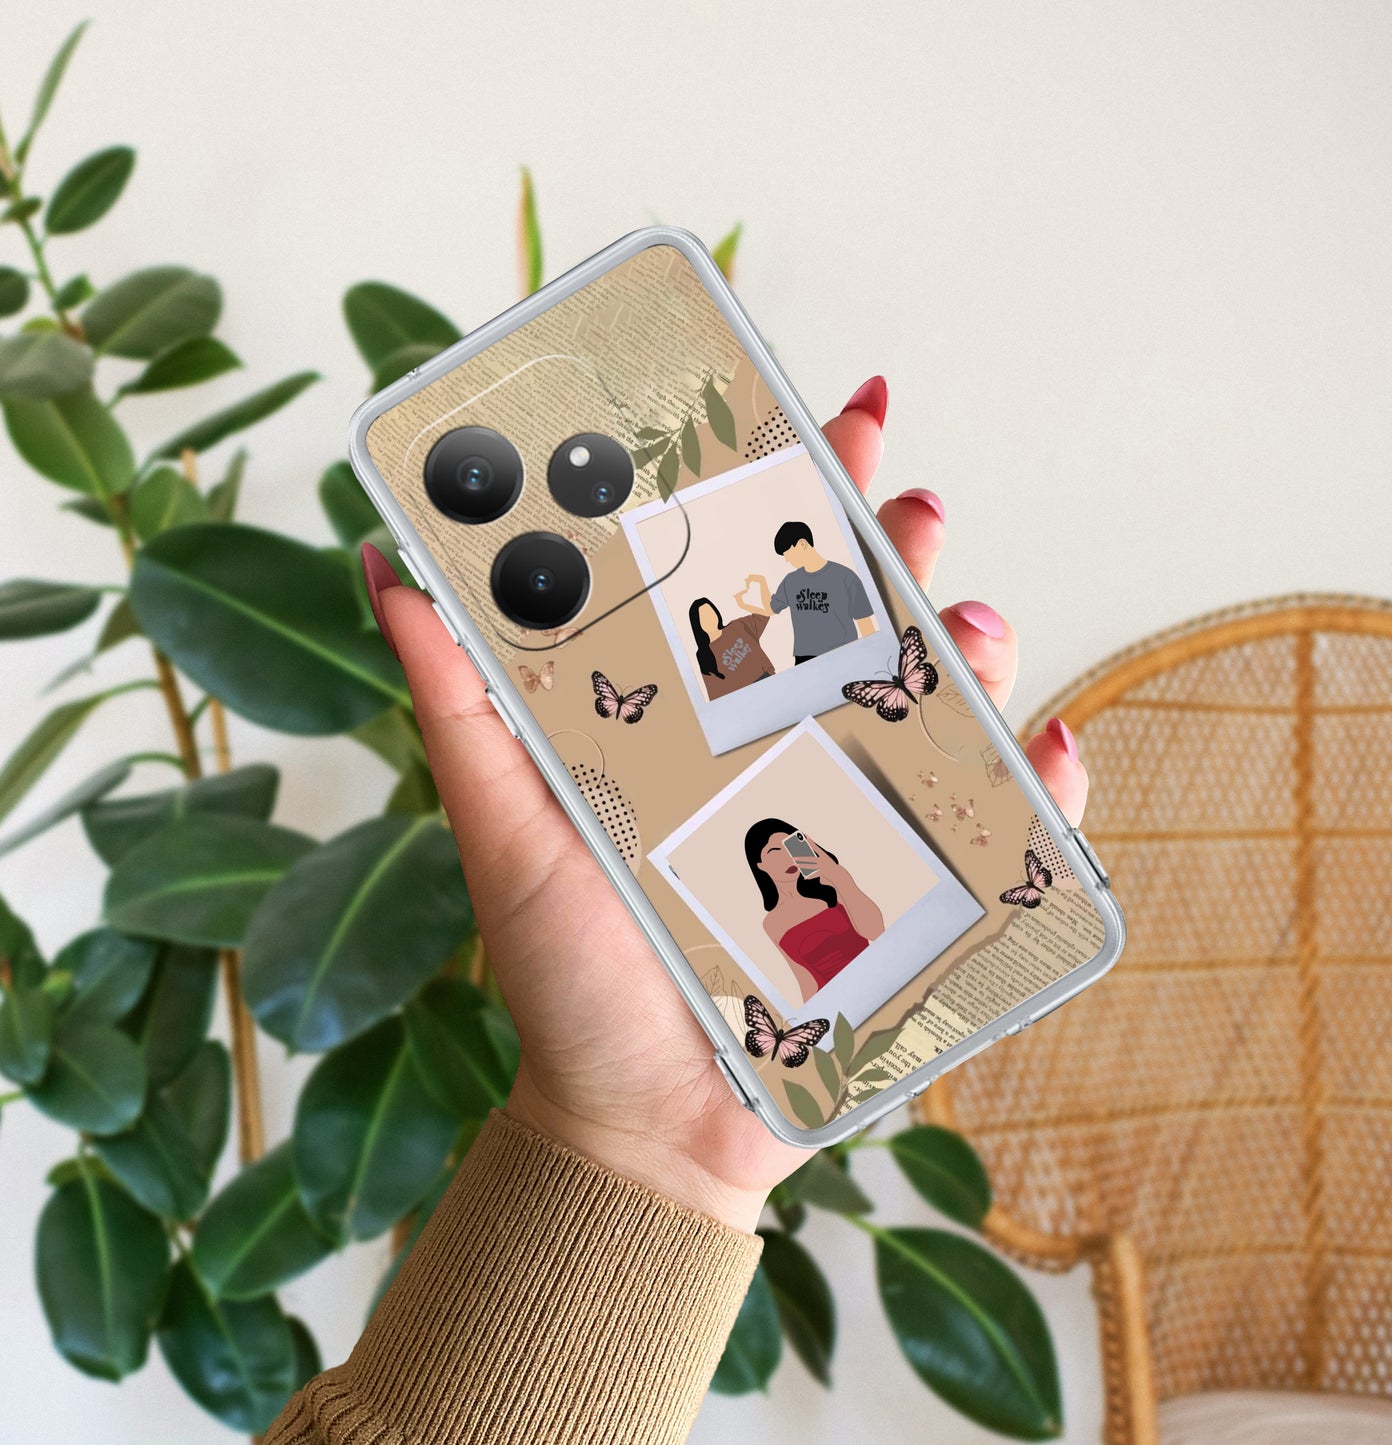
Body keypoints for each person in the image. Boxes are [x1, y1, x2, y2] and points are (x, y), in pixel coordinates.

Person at [264, 375, 1090, 1445]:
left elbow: (842, 884)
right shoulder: (772, 916)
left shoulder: (809, 868)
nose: (789, 852)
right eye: (777, 848)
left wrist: (639, 1144)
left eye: (788, 843)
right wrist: (648, 1149)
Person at [744, 818, 884, 1000]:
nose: (787, 857)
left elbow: (876, 932)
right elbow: (806, 981)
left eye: (789, 846)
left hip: (876, 977)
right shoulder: (772, 924)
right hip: (836, 999)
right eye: (775, 851)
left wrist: (836, 874)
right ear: (760, 865)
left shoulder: (830, 884)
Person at [764, 518, 879, 664]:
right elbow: (770, 609)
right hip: (805, 659)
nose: (787, 560)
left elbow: (865, 623)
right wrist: (762, 584)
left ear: (802, 544)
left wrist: (870, 658)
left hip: (844, 653)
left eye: (788, 553)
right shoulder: (790, 581)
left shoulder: (846, 577)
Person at [688, 594, 777, 699]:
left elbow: (765, 614)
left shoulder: (738, 626)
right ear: (697, 623)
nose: (710, 618)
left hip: (768, 681)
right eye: (704, 617)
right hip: (743, 698)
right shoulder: (703, 654)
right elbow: (714, 693)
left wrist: (743, 604)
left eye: (710, 612)